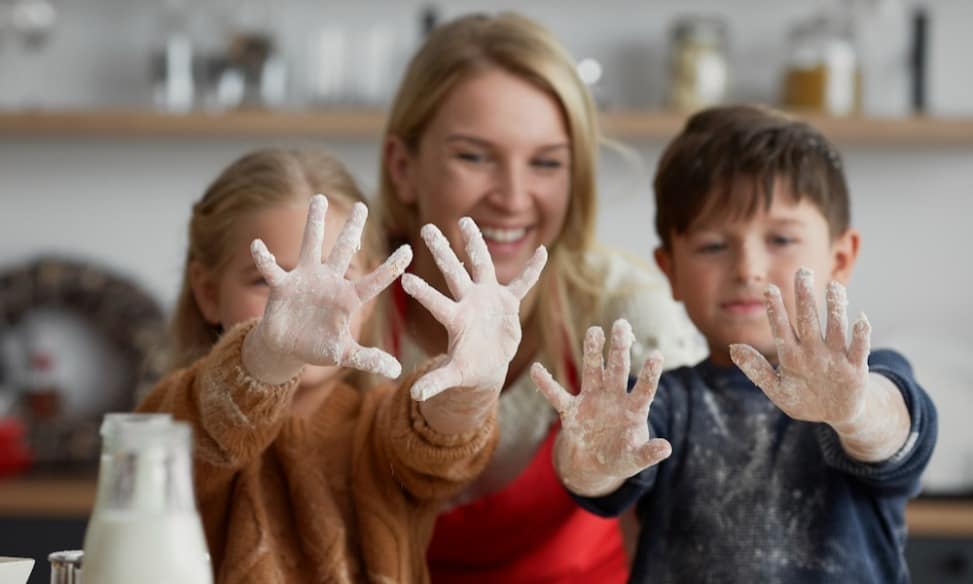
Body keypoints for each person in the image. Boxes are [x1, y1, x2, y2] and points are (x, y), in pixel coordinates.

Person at [531, 105, 938, 583]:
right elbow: (600, 477)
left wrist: (856, 411)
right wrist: (589, 461)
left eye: (781, 239)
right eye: (713, 246)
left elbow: (893, 428)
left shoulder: (866, 382)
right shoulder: (663, 401)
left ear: (841, 257)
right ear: (670, 271)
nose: (747, 269)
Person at [377, 11, 705, 582]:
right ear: (403, 168)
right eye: (474, 156)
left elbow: (696, 526)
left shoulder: (625, 311)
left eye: (547, 162)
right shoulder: (353, 306)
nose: (512, 196)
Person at [136, 148, 548, 583]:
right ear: (206, 292)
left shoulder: (380, 432)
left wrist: (470, 390)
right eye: (267, 280)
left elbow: (435, 439)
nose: (307, 302)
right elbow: (204, 424)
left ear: (371, 293)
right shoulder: (176, 415)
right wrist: (269, 355)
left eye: (342, 275)